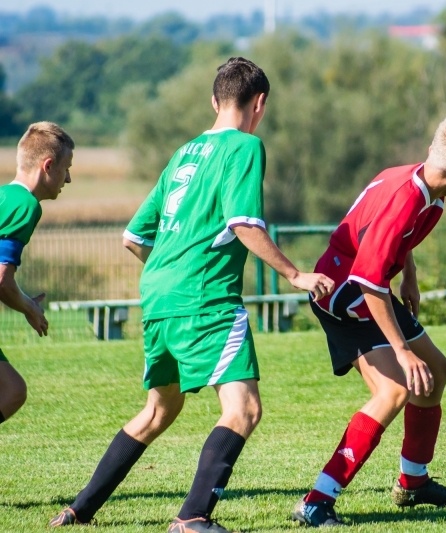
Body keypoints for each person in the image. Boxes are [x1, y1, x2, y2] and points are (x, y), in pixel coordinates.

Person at [49, 57, 334, 533]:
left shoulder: (184, 152)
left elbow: (133, 237)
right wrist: (295, 274)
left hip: (158, 295)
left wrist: (171, 271)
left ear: (213, 100)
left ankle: (78, 510)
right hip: (205, 298)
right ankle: (191, 519)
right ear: (259, 103)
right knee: (243, 408)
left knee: (159, 410)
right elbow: (244, 223)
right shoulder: (245, 147)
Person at [291, 117, 446, 527]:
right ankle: (317, 501)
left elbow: (395, 240)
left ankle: (412, 482)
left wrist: (410, 275)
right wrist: (401, 350)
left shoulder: (419, 181)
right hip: (347, 296)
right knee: (396, 388)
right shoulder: (407, 197)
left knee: (435, 369)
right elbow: (367, 279)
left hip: (369, 287)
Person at [0, 122, 74, 424]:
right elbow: (2, 279)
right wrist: (30, 308)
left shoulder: (5, 196)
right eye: (66, 168)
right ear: (48, 165)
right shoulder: (25, 205)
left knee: (13, 389)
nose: (68, 178)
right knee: (11, 390)